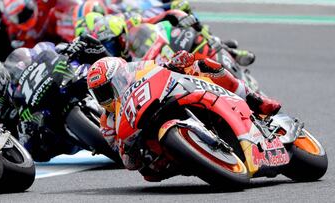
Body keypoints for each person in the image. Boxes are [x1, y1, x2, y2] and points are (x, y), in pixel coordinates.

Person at [86, 50, 281, 181]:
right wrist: (128, 148)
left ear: (122, 76)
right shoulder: (107, 122)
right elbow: (126, 161)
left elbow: (163, 67)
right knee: (149, 173)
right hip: (159, 153)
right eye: (100, 94)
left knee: (205, 64)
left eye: (108, 90)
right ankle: (201, 155)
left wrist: (179, 62)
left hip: (171, 99)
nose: (107, 98)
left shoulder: (140, 73)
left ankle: (255, 99)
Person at [0, 35, 109, 161]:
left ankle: (120, 75)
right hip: (54, 137)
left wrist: (65, 50)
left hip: (56, 87)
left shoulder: (16, 81)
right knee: (37, 151)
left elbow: (40, 55)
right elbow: (22, 151)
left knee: (87, 41)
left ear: (0, 82)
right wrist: (26, 129)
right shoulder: (0, 118)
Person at [75, 9, 256, 66]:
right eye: (108, 45)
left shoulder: (131, 22)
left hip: (165, 52)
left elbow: (160, 17)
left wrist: (178, 16)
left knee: (192, 31)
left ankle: (228, 50)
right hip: (155, 72)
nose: (112, 48)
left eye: (114, 42)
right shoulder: (106, 60)